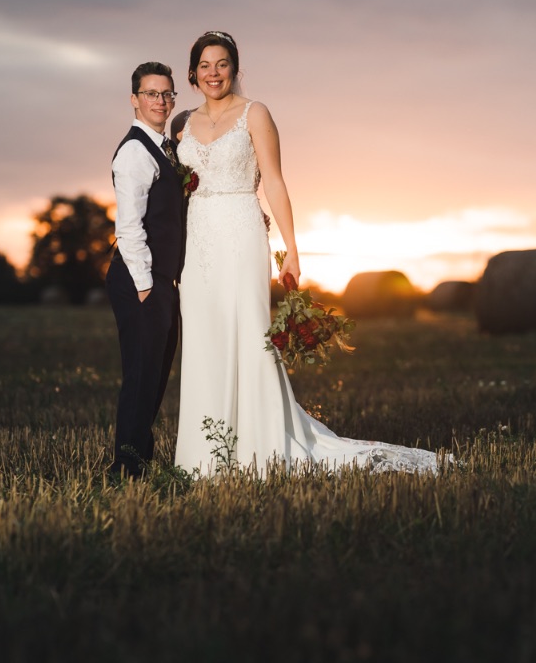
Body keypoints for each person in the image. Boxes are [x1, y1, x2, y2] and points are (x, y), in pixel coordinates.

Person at [170, 31, 442, 475]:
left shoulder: (255, 114)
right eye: (204, 65)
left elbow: (274, 181)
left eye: (221, 64)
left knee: (249, 335)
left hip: (241, 231)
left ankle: (260, 452)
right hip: (197, 238)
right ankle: (205, 459)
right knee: (204, 339)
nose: (213, 73)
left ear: (234, 69)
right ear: (193, 73)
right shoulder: (184, 124)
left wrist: (291, 249)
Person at [105, 61, 186, 478]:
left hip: (159, 280)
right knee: (141, 373)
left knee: (155, 372)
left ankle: (138, 455)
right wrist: (144, 287)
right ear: (135, 99)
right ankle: (126, 465)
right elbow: (129, 226)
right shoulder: (136, 150)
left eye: (167, 93)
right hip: (141, 278)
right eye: (151, 94)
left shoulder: (163, 146)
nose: (161, 101)